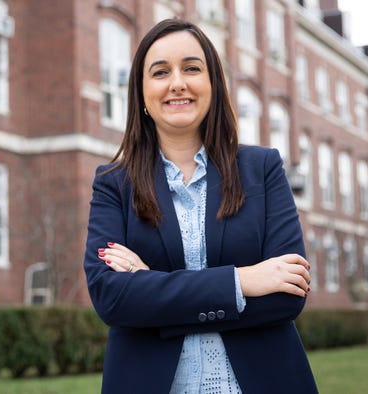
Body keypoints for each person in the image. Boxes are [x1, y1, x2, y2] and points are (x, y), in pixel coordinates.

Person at [83, 18, 318, 393]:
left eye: (192, 68)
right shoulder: (114, 184)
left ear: (213, 84)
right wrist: (242, 281)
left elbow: (288, 295)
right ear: (142, 93)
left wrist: (151, 287)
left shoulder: (264, 169)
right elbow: (112, 299)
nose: (177, 82)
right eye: (160, 72)